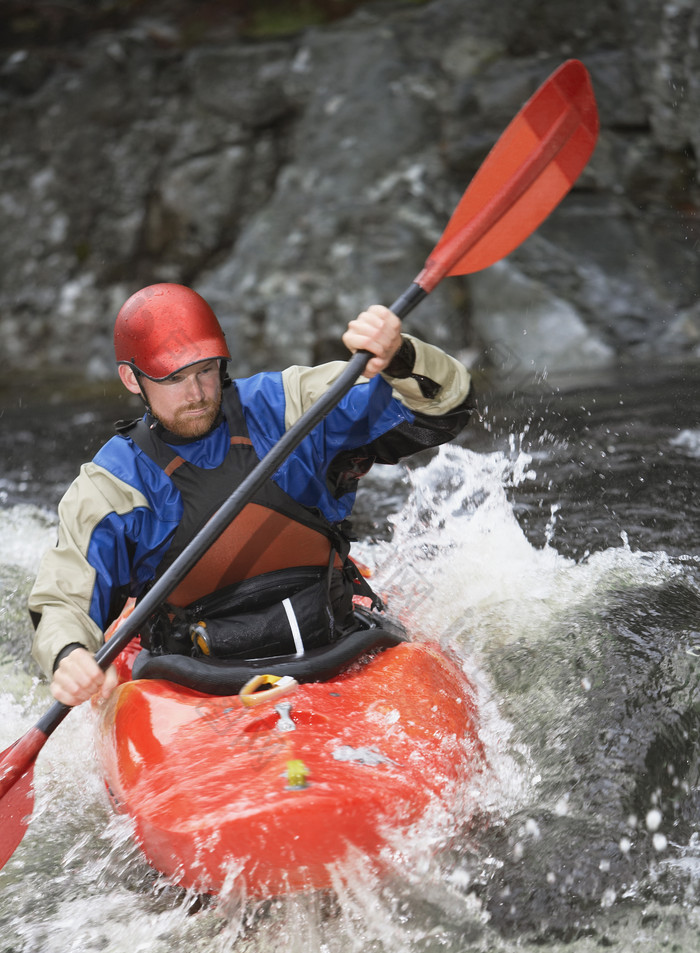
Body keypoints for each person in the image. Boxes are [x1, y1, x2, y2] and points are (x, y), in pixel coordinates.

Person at [28, 283, 474, 707]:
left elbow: (445, 408)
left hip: (340, 649)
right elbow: (64, 598)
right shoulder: (113, 484)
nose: (198, 393)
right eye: (175, 379)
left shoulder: (289, 407)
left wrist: (401, 357)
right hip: (197, 682)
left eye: (206, 370)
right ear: (131, 379)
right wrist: (68, 654)